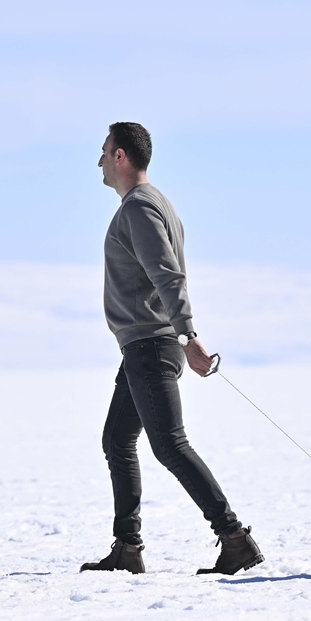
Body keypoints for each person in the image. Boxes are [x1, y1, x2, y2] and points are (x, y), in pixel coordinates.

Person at [80, 122, 264, 576]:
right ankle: (127, 547)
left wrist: (187, 334)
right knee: (117, 439)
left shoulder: (140, 208)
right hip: (142, 346)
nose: (99, 161)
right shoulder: (151, 203)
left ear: (121, 156)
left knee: (170, 445)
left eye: (104, 151)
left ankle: (235, 538)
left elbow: (167, 276)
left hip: (151, 343)